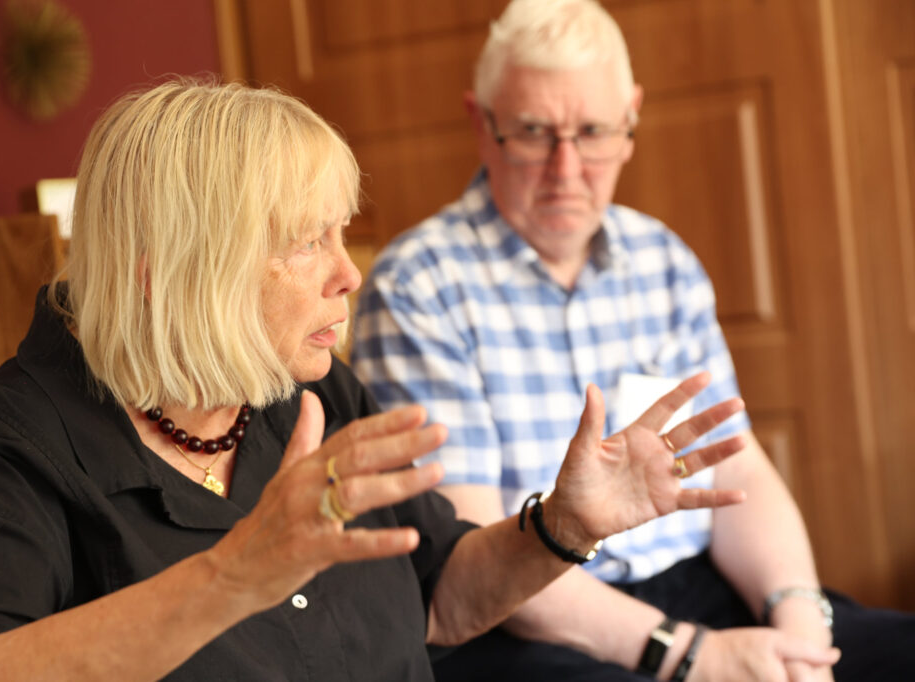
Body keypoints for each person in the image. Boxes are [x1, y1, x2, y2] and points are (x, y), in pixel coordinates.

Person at [0, 79, 754, 681]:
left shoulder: (311, 391)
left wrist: (563, 526)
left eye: (341, 235)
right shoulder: (15, 450)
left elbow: (441, 600)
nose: (349, 275)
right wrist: (233, 577)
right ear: (174, 272)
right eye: (307, 242)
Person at [351, 1, 915, 680]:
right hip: (529, 617)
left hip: (692, 582)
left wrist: (801, 629)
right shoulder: (418, 284)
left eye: (593, 131)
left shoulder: (663, 260)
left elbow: (735, 467)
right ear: (482, 124)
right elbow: (472, 554)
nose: (566, 169)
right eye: (533, 132)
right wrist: (694, 656)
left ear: (630, 123)